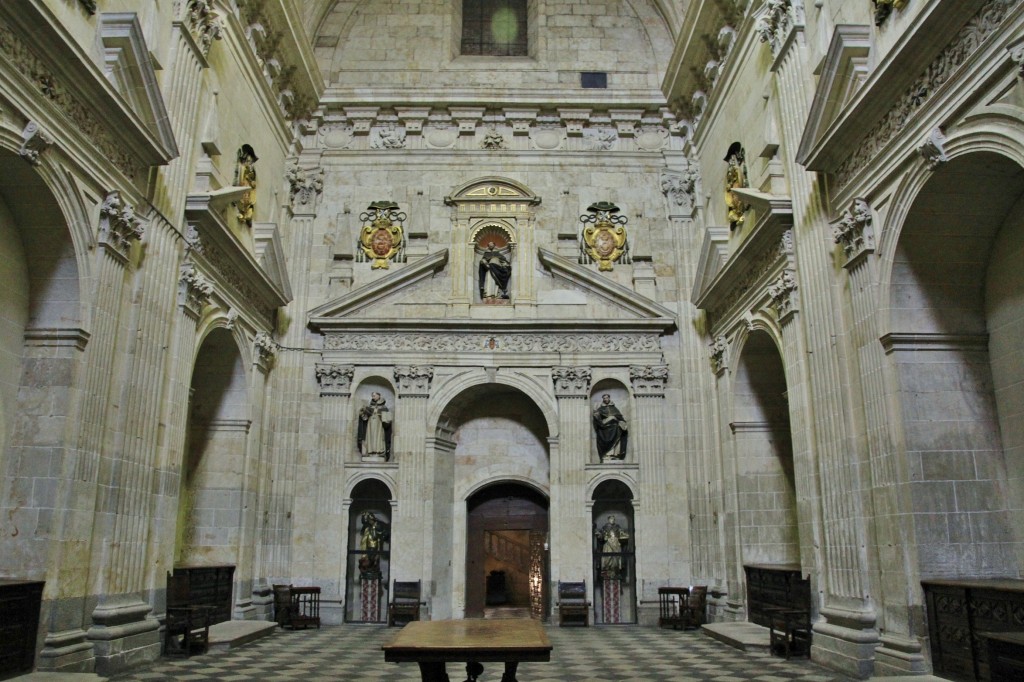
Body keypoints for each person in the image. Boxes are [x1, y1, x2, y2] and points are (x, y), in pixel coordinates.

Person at [357, 392, 392, 460]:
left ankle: (379, 452)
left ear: (379, 396)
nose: (373, 397)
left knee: (379, 437)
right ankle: (369, 451)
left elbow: (388, 419)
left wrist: (382, 415)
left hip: (379, 425)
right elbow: (364, 418)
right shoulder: (370, 406)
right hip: (370, 425)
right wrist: (363, 412)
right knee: (370, 437)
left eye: (374, 396)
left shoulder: (384, 407)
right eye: (372, 396)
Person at [592, 394, 628, 460]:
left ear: (609, 398)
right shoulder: (600, 409)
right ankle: (607, 454)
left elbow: (620, 417)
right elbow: (597, 419)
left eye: (607, 398)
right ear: (603, 399)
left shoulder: (614, 408)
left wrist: (622, 422)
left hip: (615, 428)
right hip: (605, 429)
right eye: (604, 398)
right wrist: (596, 414)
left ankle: (615, 454)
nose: (606, 399)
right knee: (605, 438)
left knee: (619, 431)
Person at [595, 515, 629, 580]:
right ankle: (607, 571)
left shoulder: (617, 527)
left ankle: (615, 571)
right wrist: (601, 535)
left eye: (613, 519)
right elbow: (601, 536)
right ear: (608, 520)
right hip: (608, 545)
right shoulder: (605, 527)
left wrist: (622, 533)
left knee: (616, 558)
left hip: (616, 544)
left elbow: (621, 533)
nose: (612, 520)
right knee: (608, 557)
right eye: (611, 519)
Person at [358, 511, 388, 580]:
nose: (369, 522)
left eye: (369, 520)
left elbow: (382, 534)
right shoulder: (367, 528)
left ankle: (372, 568)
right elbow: (363, 536)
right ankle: (368, 568)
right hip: (367, 546)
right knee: (368, 557)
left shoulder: (377, 525)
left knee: (373, 558)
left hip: (374, 546)